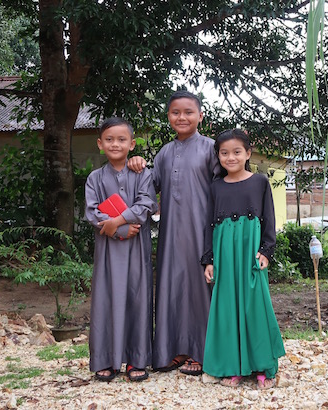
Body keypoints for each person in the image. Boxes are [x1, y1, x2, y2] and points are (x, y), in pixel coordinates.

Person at [127, 90, 221, 375]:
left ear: (201, 116)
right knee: (171, 288)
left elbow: (225, 185)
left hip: (202, 232)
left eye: (189, 112)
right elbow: (148, 185)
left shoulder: (211, 148)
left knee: (200, 289)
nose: (182, 117)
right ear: (168, 117)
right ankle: (174, 351)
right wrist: (137, 164)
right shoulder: (165, 152)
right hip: (170, 235)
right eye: (175, 112)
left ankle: (203, 351)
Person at [201, 128, 285, 389]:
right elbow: (208, 225)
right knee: (227, 309)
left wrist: (267, 250)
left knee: (255, 306)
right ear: (218, 156)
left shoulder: (260, 182)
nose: (231, 157)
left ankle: (262, 367)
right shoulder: (215, 187)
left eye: (237, 152)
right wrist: (209, 260)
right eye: (224, 153)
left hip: (250, 253)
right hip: (225, 253)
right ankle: (233, 366)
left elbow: (269, 219)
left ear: (248, 153)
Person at [85, 117, 157, 382]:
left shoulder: (143, 174)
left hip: (137, 250)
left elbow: (146, 204)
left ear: (132, 144)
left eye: (122, 139)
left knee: (138, 298)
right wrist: (119, 228)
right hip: (108, 250)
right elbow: (93, 213)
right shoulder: (94, 178)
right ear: (100, 144)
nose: (115, 144)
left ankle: (136, 360)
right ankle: (106, 359)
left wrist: (118, 219)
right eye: (109, 139)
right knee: (106, 299)